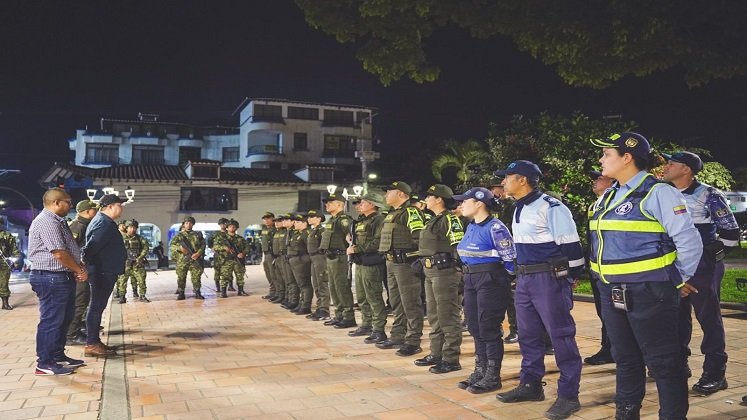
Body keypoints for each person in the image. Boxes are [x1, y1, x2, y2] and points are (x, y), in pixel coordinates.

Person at [588, 133, 703, 419]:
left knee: (664, 362)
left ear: (627, 157)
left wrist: (679, 279)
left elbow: (689, 240)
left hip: (649, 291)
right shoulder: (610, 195)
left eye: (606, 154)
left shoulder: (658, 192)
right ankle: (626, 414)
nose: (601, 159)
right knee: (625, 359)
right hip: (611, 291)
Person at [495, 160, 585, 420]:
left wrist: (569, 279)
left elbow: (572, 249)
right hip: (525, 280)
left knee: (561, 337)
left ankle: (569, 395)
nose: (503, 182)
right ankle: (530, 385)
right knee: (528, 335)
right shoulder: (518, 207)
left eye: (507, 177)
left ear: (523, 179)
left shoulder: (551, 207)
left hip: (549, 279)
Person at [662, 151, 738, 395]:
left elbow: (731, 233)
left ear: (686, 169)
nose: (666, 166)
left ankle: (715, 372)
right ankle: (678, 364)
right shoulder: (665, 194)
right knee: (675, 317)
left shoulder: (708, 194)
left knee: (708, 318)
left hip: (702, 267)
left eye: (672, 163)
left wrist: (706, 259)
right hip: (674, 265)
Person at [453, 186, 515, 392]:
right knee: (474, 326)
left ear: (479, 203)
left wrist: (502, 280)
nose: (461, 205)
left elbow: (510, 259)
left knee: (488, 327)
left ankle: (492, 375)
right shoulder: (471, 226)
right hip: (471, 278)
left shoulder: (496, 227)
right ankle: (480, 370)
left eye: (465, 201)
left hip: (491, 279)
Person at [28, 188, 89, 375]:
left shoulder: (58, 221)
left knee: (63, 319)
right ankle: (44, 363)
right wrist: (78, 269)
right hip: (50, 277)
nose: (70, 205)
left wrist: (78, 265)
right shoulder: (47, 222)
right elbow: (59, 253)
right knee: (52, 320)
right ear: (56, 202)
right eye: (68, 202)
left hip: (60, 277)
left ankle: (57, 355)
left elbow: (68, 249)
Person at [416, 185, 467, 374]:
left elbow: (458, 244)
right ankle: (436, 353)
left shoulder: (449, 219)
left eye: (429, 196)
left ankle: (451, 358)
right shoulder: (433, 220)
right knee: (434, 315)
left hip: (445, 272)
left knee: (448, 315)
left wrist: (457, 267)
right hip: (431, 271)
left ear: (439, 199)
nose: (426, 199)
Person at [376, 181, 426, 356]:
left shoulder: (411, 212)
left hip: (406, 264)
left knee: (410, 303)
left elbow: (420, 237)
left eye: (389, 192)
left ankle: (413, 340)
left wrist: (419, 259)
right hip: (391, 262)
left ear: (400, 194)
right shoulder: (393, 214)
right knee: (396, 302)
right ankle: (398, 335)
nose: (385, 196)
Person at [82, 193, 126, 357]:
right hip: (102, 271)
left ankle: (94, 341)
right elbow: (91, 248)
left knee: (97, 307)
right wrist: (86, 267)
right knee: (96, 307)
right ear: (110, 206)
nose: (122, 207)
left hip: (103, 270)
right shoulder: (104, 223)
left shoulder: (103, 221)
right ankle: (91, 343)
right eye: (119, 204)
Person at [583, 170, 616, 366]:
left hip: (616, 270)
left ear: (612, 181)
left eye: (599, 178)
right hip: (598, 269)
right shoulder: (594, 205)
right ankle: (608, 348)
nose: (595, 181)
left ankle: (618, 349)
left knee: (616, 314)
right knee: (604, 312)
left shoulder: (618, 202)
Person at [347, 193, 388, 343]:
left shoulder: (379, 219)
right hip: (361, 262)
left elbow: (378, 242)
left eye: (363, 202)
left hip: (372, 262)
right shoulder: (362, 220)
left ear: (372, 204)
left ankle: (378, 330)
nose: (360, 205)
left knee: (374, 296)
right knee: (362, 296)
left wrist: (356, 248)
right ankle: (366, 324)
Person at [487, 177, 518, 344]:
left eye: (496, 188)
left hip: (509, 254)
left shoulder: (512, 206)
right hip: (495, 257)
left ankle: (515, 329)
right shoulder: (494, 207)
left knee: (511, 297)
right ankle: (497, 326)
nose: (494, 192)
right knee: (497, 297)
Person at [319, 193, 356, 328]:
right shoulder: (332, 220)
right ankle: (339, 314)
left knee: (342, 287)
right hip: (331, 257)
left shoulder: (343, 219)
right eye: (326, 202)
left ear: (340, 204)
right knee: (333, 287)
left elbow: (352, 234)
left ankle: (348, 316)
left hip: (340, 257)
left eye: (330, 202)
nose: (327, 204)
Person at [65, 200, 97, 344]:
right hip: (78, 271)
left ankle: (79, 325)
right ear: (88, 211)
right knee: (80, 301)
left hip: (83, 269)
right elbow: (71, 249)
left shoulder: (84, 224)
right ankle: (72, 334)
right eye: (94, 210)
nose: (96, 212)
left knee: (84, 299)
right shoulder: (78, 226)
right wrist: (77, 269)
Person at [169, 216, 206, 300]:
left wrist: (198, 253)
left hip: (195, 259)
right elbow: (172, 245)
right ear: (184, 224)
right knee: (181, 276)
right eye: (186, 223)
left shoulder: (197, 235)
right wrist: (180, 248)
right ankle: (181, 293)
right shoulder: (179, 235)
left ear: (193, 224)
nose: (188, 224)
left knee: (196, 277)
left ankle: (197, 292)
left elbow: (203, 245)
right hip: (183, 259)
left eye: (190, 223)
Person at [306, 209, 332, 321]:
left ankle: (325, 310)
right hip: (313, 258)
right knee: (316, 284)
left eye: (312, 217)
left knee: (322, 284)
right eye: (309, 217)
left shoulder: (322, 230)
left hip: (320, 258)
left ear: (319, 218)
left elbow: (325, 246)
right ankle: (319, 307)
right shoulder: (313, 230)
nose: (309, 219)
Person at [117, 219, 151, 303]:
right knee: (122, 280)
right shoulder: (120, 238)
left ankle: (142, 295)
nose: (133, 229)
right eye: (131, 227)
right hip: (125, 263)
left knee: (141, 279)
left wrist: (140, 257)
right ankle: (122, 297)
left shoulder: (140, 238)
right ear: (126, 228)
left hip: (137, 263)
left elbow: (146, 247)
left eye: (134, 228)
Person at [214, 219, 249, 297]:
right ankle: (223, 292)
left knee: (240, 276)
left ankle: (241, 290)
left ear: (236, 228)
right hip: (226, 260)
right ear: (227, 228)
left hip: (238, 260)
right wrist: (224, 248)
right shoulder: (221, 238)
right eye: (230, 226)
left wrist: (243, 253)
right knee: (225, 276)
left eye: (234, 227)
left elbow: (247, 247)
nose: (232, 228)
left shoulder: (240, 238)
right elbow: (215, 246)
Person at [288, 214, 312, 314]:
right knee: (300, 284)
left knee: (305, 284)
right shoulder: (298, 233)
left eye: (297, 222)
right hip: (296, 260)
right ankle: (301, 304)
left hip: (302, 260)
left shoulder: (306, 234)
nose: (295, 223)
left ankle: (306, 306)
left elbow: (309, 249)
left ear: (304, 223)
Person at [0, 216, 21, 310]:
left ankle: (5, 303)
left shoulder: (6, 235)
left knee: (3, 283)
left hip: (3, 263)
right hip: (4, 263)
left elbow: (14, 249)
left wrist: (16, 262)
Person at [259, 212, 277, 300]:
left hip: (272, 254)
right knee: (268, 274)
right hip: (265, 253)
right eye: (264, 219)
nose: (266, 220)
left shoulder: (275, 229)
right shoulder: (264, 229)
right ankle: (272, 291)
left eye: (268, 218)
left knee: (273, 274)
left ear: (273, 219)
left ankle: (276, 292)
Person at [269, 216, 287, 304]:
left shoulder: (286, 232)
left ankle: (286, 296)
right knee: (278, 277)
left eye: (278, 222)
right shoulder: (276, 233)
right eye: (275, 222)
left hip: (283, 257)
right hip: (276, 257)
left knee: (285, 278)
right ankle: (280, 294)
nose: (276, 223)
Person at [208, 218, 229, 291]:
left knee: (227, 272)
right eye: (221, 224)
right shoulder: (215, 234)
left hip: (227, 255)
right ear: (219, 225)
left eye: (224, 223)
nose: (223, 225)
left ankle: (229, 286)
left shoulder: (229, 233)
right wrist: (212, 247)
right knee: (217, 272)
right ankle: (218, 288)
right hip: (218, 255)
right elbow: (209, 241)